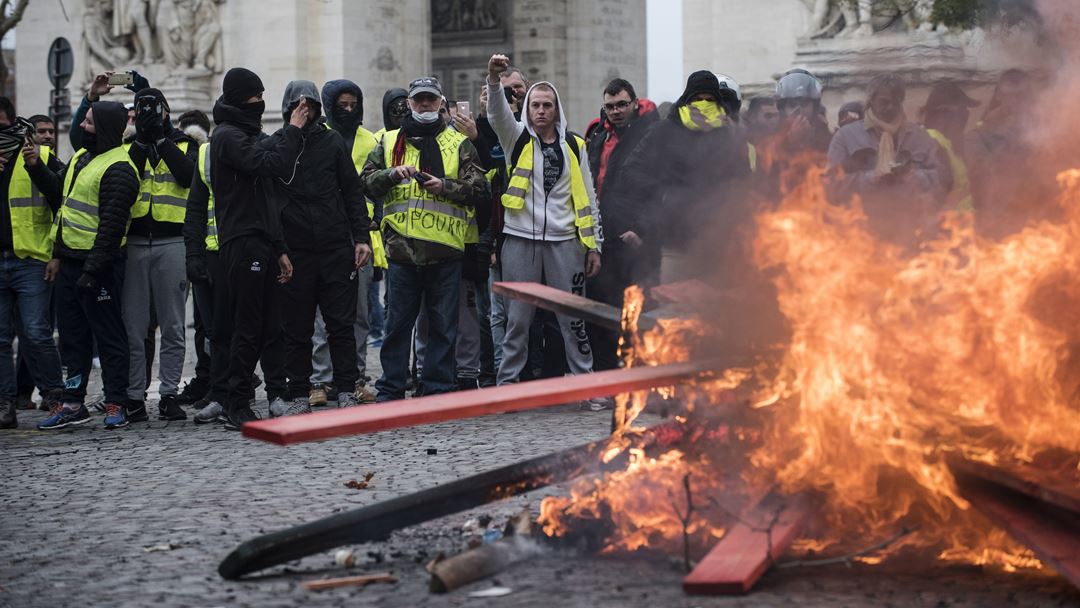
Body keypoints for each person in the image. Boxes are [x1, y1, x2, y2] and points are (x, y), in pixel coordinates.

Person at [361, 76, 489, 401]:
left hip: (445, 251)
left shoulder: (459, 143)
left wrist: (444, 186)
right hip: (402, 251)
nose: (425, 105)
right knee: (396, 328)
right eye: (419, 100)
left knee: (444, 329)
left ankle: (437, 390)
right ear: (410, 104)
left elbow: (480, 189)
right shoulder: (389, 142)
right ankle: (390, 389)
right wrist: (391, 174)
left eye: (431, 100)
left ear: (441, 103)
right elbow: (364, 182)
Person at [484, 53, 603, 388]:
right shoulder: (515, 137)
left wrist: (594, 246)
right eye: (535, 105)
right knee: (517, 321)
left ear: (556, 109)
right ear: (527, 108)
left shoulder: (575, 145)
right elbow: (495, 113)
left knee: (573, 321)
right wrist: (493, 80)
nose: (540, 111)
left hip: (566, 242)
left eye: (547, 105)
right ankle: (507, 388)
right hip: (520, 240)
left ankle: (587, 387)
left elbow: (590, 199)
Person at [27, 101, 140, 430]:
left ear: (103, 128)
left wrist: (92, 271)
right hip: (72, 264)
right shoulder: (80, 157)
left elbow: (111, 228)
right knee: (73, 338)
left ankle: (116, 401)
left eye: (89, 123)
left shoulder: (119, 167)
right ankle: (73, 402)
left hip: (100, 268)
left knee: (108, 337)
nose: (82, 127)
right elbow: (61, 199)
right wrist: (35, 166)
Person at [211, 67, 308, 430]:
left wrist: (279, 248)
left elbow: (267, 197)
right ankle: (236, 402)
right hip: (242, 241)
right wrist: (294, 130)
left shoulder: (247, 134)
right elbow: (271, 164)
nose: (260, 103)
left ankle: (264, 395)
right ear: (240, 98)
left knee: (270, 327)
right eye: (255, 96)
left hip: (263, 242)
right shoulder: (227, 136)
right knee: (247, 326)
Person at [272, 80, 372, 416]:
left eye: (310, 106)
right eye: (299, 106)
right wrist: (279, 249)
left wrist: (361, 238)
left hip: (334, 247)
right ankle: (299, 392)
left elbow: (352, 192)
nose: (305, 112)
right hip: (296, 251)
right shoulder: (278, 144)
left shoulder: (331, 142)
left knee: (341, 325)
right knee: (297, 329)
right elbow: (270, 198)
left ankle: (346, 388)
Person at [620, 70, 751, 284]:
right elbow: (630, 172)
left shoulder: (727, 135)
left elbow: (742, 182)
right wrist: (665, 193)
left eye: (710, 100)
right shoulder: (664, 131)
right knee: (674, 309)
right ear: (687, 100)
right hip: (676, 241)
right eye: (698, 99)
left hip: (718, 242)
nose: (703, 104)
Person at [123, 87, 199, 421]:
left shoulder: (185, 143)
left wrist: (162, 140)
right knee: (135, 326)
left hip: (173, 242)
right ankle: (134, 395)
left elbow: (187, 178)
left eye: (155, 111)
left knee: (172, 325)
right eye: (143, 111)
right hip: (136, 242)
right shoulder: (128, 147)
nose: (150, 117)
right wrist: (142, 141)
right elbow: (127, 180)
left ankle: (168, 394)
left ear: (166, 111)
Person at [307, 78, 384, 407]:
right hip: (325, 234)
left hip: (360, 236)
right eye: (342, 104)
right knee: (322, 315)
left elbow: (378, 187)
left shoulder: (370, 140)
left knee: (360, 314)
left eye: (354, 104)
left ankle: (356, 378)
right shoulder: (317, 138)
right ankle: (320, 380)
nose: (349, 110)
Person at [584, 78, 659, 374]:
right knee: (600, 311)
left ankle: (638, 376)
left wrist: (642, 229)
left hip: (635, 239)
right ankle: (607, 378)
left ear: (634, 103)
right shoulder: (599, 138)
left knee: (636, 311)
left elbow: (660, 189)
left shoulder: (651, 137)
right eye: (610, 106)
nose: (616, 111)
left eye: (621, 105)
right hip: (603, 239)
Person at [826, 74, 952, 247]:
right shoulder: (846, 137)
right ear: (871, 102)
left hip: (911, 232)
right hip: (861, 234)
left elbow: (944, 178)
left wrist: (918, 177)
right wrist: (869, 179)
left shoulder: (918, 136)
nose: (891, 108)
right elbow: (832, 185)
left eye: (896, 101)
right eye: (884, 102)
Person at [0, 101, 65, 429]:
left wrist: (55, 254)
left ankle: (55, 397)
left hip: (31, 258)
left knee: (37, 333)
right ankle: (5, 404)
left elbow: (61, 202)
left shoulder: (38, 155)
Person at [921, 83, 979, 213]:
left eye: (966, 113)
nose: (966, 117)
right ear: (942, 114)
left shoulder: (950, 142)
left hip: (963, 226)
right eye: (962, 112)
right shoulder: (934, 142)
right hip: (951, 227)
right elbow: (941, 197)